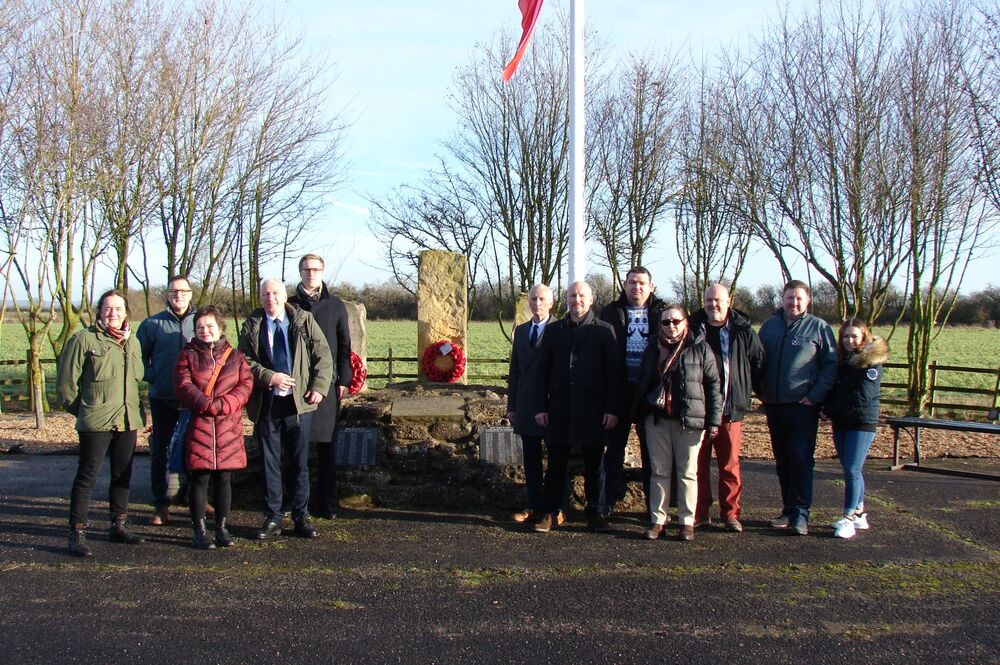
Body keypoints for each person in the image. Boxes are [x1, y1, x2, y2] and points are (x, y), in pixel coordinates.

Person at [239, 279, 333, 540]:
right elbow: (244, 360)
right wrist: (269, 376)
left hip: (299, 403)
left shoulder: (302, 320)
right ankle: (273, 517)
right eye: (266, 294)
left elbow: (323, 356)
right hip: (267, 404)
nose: (271, 298)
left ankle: (301, 516)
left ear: (284, 296)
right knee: (270, 464)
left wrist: (320, 387)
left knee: (299, 463)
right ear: (260, 297)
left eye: (276, 293)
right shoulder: (252, 325)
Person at [58, 289, 146, 557]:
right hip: (95, 422)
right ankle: (77, 531)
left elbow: (137, 378)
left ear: (126, 313)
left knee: (123, 474)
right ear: (99, 311)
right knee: (87, 477)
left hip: (127, 419)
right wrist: (85, 411)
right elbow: (65, 385)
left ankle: (118, 524)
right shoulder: (84, 340)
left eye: (118, 309)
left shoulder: (133, 342)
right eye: (108, 308)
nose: (113, 314)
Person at [532, 281, 624, 533]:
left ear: (591, 299)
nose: (576, 300)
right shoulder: (554, 331)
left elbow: (613, 375)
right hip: (559, 407)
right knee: (556, 464)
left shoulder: (605, 331)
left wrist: (612, 409)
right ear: (566, 299)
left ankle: (595, 511)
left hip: (593, 409)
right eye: (572, 296)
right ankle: (551, 511)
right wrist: (540, 407)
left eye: (582, 295)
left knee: (596, 464)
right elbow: (543, 373)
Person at [634, 305, 721, 542]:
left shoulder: (700, 348)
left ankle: (686, 521)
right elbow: (643, 382)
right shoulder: (652, 348)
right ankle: (658, 520)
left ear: (685, 322)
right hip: (657, 419)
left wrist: (713, 421)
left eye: (676, 321)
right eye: (665, 322)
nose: (670, 326)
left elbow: (714, 387)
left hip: (690, 421)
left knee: (687, 473)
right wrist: (638, 413)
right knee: (659, 472)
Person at [758, 280, 838, 536]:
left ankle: (801, 514)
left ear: (807, 301)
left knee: (801, 460)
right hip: (774, 405)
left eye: (798, 299)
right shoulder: (770, 327)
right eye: (789, 298)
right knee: (782, 461)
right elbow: (757, 361)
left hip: (802, 407)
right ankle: (788, 509)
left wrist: (814, 396)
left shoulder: (819, 328)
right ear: (782, 299)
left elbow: (830, 366)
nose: (793, 303)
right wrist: (761, 391)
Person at [174, 306, 254, 549]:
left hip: (228, 426)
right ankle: (199, 529)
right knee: (200, 479)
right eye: (200, 327)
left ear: (220, 328)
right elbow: (183, 385)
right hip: (200, 424)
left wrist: (225, 404)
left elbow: (246, 384)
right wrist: (207, 404)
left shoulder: (236, 357)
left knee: (224, 479)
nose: (205, 330)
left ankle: (221, 527)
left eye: (210, 326)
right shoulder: (187, 355)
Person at [689, 284, 764, 533]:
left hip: (730, 409)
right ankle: (700, 513)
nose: (713, 305)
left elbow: (758, 360)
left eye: (718, 300)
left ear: (728, 301)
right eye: (709, 300)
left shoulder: (742, 330)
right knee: (697, 465)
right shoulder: (693, 327)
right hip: (699, 409)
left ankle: (730, 513)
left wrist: (746, 389)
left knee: (729, 465)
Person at [287, 254, 353, 519]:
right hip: (294, 383)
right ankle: (296, 503)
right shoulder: (288, 304)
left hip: (326, 383)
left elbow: (345, 345)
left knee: (327, 447)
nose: (311, 273)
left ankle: (327, 501)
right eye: (307, 269)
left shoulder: (335, 305)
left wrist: (345, 380)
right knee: (294, 448)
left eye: (316, 269)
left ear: (323, 271)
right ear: (300, 271)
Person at [598, 266, 666, 515]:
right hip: (618, 390)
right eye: (632, 283)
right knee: (613, 451)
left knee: (653, 453)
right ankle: (607, 503)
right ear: (624, 285)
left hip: (649, 392)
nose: (636, 287)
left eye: (641, 283)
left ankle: (654, 507)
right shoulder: (610, 312)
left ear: (651, 286)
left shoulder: (662, 312)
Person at [136, 276, 195, 525]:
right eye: (173, 291)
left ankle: (198, 499)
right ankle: (161, 504)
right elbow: (137, 359)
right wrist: (155, 378)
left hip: (195, 399)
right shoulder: (152, 324)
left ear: (191, 294)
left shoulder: (202, 322)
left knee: (196, 448)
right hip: (163, 397)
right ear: (167, 295)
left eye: (183, 291)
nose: (178, 295)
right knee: (161, 450)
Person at [823, 319, 888, 539]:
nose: (849, 340)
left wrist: (831, 410)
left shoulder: (871, 363)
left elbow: (862, 396)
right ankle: (859, 513)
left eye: (854, 336)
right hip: (841, 421)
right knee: (851, 468)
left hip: (861, 422)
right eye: (845, 336)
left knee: (852, 469)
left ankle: (848, 517)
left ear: (863, 337)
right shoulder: (842, 361)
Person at [506, 284, 565, 526]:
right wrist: (512, 405)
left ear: (551, 303)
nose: (537, 303)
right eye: (533, 299)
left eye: (542, 299)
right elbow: (515, 371)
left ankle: (556, 508)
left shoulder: (560, 329)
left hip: (553, 405)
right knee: (530, 460)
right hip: (526, 404)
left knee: (556, 460)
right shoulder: (520, 331)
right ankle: (533, 505)